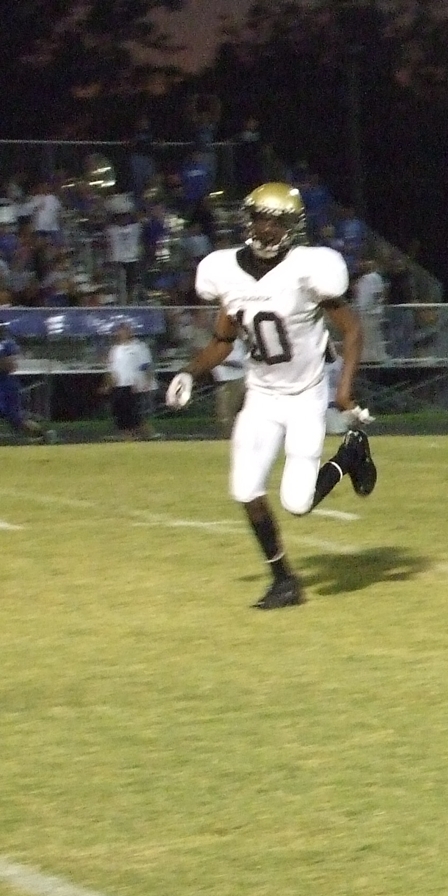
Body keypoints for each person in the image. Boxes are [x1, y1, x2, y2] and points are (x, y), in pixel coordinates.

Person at [162, 182, 378, 609]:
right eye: (262, 219)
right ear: (248, 220)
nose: (267, 229)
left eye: (277, 222)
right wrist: (190, 371)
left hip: (305, 395)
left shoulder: (307, 269)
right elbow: (223, 340)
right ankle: (284, 581)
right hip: (261, 395)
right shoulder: (226, 272)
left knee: (297, 502)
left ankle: (349, 455)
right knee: (245, 490)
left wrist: (343, 391)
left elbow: (352, 330)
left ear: (292, 227)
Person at [102, 320, 158, 440]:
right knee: (121, 413)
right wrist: (109, 385)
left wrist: (146, 382)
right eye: (121, 330)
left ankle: (149, 435)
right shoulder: (115, 350)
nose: (123, 333)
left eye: (126, 330)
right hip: (120, 385)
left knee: (136, 414)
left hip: (135, 386)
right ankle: (128, 436)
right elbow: (112, 369)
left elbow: (146, 366)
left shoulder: (139, 347)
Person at [0, 323, 53, 442]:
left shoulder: (6, 344)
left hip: (5, 384)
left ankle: (43, 434)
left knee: (15, 419)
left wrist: (3, 361)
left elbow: (11, 366)